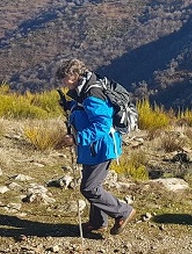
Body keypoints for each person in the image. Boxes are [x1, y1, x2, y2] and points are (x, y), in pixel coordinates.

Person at [56, 58, 136, 236]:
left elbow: (102, 125)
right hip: (93, 148)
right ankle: (97, 222)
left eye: (64, 78)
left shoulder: (91, 93)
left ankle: (123, 212)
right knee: (94, 184)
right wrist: (69, 105)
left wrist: (77, 138)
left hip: (100, 148)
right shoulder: (84, 89)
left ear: (74, 75)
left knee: (89, 188)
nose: (62, 82)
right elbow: (85, 109)